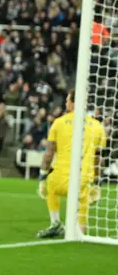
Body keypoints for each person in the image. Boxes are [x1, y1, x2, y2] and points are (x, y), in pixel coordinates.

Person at [37, 90, 107, 238]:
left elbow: (49, 153)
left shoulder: (59, 122)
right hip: (84, 181)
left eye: (68, 100)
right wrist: (97, 183)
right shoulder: (97, 126)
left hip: (61, 180)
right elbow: (98, 159)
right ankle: (79, 232)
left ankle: (55, 223)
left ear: (74, 102)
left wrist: (42, 177)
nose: (65, 103)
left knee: (50, 184)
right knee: (81, 228)